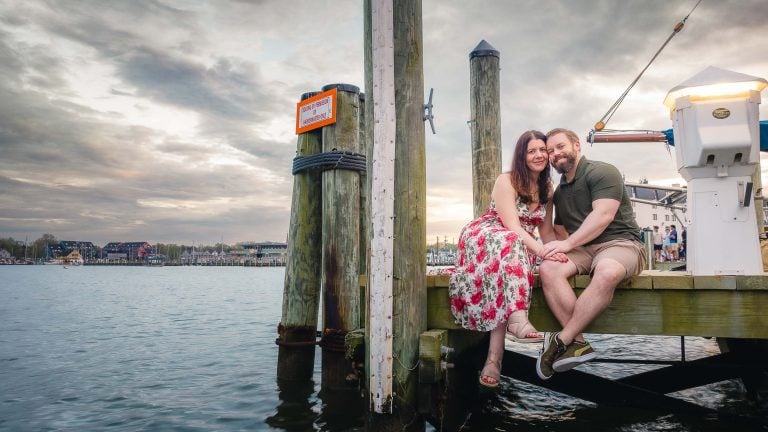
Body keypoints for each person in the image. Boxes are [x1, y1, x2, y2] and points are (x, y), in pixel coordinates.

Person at [449, 130, 567, 388]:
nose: (538, 155)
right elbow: (512, 226)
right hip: (487, 236)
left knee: (510, 262)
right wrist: (541, 251)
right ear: (522, 156)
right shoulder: (508, 180)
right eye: (531, 151)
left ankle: (494, 360)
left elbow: (545, 230)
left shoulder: (548, 188)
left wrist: (556, 253)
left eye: (542, 150)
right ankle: (517, 319)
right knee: (512, 245)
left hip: (515, 248)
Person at [535, 128, 646, 380]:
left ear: (576, 145)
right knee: (548, 268)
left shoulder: (602, 171)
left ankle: (561, 340)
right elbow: (559, 231)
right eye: (550, 151)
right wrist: (547, 205)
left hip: (621, 242)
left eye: (560, 147)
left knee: (607, 270)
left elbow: (603, 215)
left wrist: (567, 244)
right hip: (584, 250)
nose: (555, 154)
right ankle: (579, 343)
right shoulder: (561, 192)